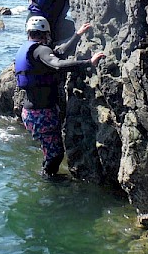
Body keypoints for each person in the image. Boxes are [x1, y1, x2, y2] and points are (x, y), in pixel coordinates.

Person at [15, 15, 105, 177]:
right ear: (46, 33)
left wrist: (77, 35)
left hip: (31, 113)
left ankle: (46, 174)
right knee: (55, 155)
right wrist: (88, 63)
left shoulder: (29, 49)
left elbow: (59, 53)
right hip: (41, 114)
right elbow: (56, 64)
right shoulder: (41, 50)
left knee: (49, 151)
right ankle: (49, 182)